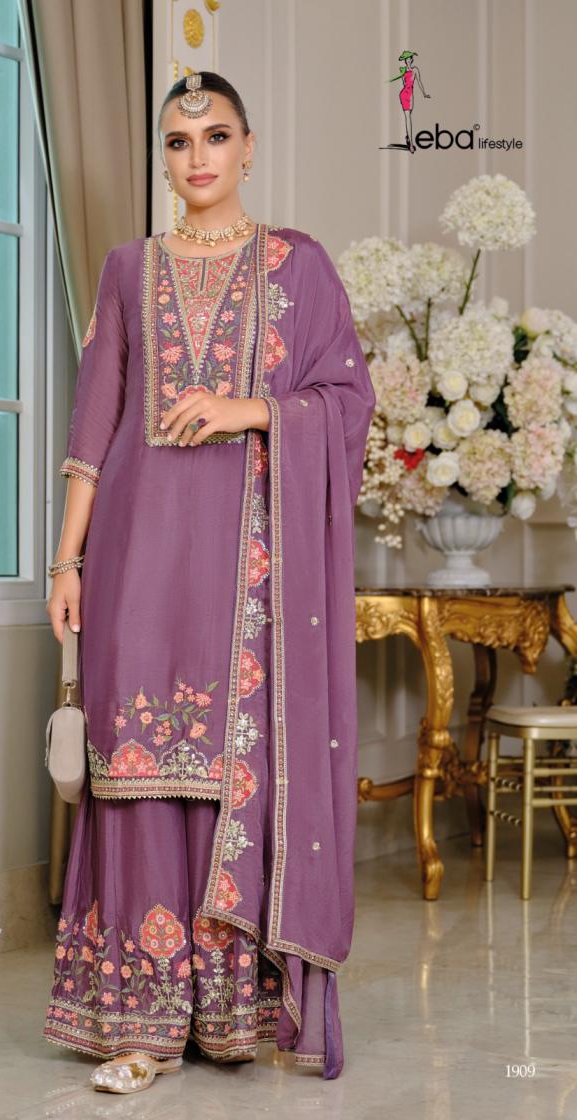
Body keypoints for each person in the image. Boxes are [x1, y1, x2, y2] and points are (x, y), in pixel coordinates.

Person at [43, 70, 376, 1094]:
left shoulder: (297, 266)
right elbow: (93, 425)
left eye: (216, 136)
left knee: (232, 765)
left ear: (248, 146)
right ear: (164, 157)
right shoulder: (126, 268)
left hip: (247, 574)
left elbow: (347, 398)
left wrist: (254, 409)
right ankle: (139, 1024)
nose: (197, 157)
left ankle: (230, 1015)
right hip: (134, 560)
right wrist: (66, 562)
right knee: (136, 766)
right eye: (179, 141)